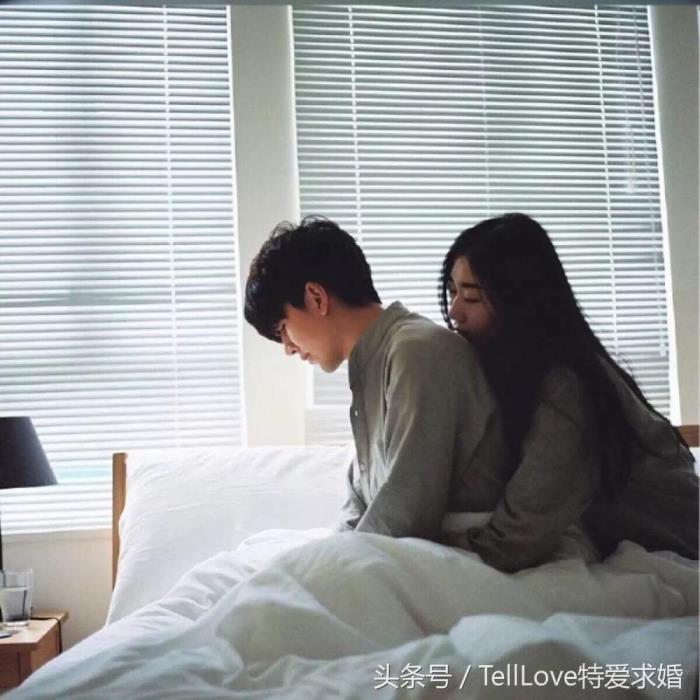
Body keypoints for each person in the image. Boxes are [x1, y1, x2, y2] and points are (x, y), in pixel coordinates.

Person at [439, 212, 698, 572]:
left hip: (681, 544)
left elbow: (512, 542)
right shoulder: (510, 374)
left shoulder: (567, 391)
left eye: (471, 297)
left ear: (519, 302)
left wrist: (424, 544)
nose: (454, 312)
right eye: (452, 292)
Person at [245, 216, 511, 541]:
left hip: (458, 553)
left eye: (283, 329)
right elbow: (361, 504)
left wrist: (334, 560)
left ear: (316, 298)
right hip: (399, 550)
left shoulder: (418, 352)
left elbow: (407, 512)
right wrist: (330, 553)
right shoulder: (373, 364)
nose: (288, 348)